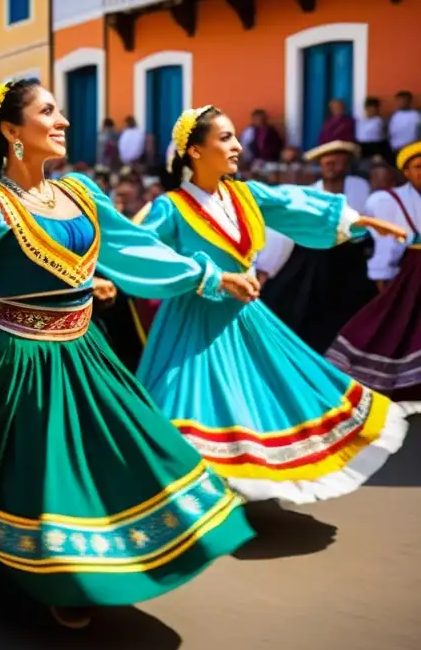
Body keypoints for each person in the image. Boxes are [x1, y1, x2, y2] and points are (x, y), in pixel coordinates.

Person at [0, 79, 256, 629]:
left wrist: (210, 276)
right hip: (21, 357)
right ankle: (60, 575)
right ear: (11, 131)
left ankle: (103, 562)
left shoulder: (81, 193)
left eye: (61, 111)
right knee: (42, 471)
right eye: (49, 111)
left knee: (131, 449)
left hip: (86, 348)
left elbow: (137, 252)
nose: (64, 121)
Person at [136, 106, 408, 505]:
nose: (236, 145)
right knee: (190, 399)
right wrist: (205, 275)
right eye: (225, 137)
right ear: (194, 151)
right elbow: (143, 251)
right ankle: (185, 491)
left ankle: (236, 482)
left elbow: (294, 203)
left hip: (245, 318)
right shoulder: (170, 207)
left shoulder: (246, 195)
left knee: (258, 397)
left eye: (234, 136)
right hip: (193, 321)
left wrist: (359, 220)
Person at [257, 140, 376, 353]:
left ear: (347, 163)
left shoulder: (359, 187)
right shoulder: (311, 193)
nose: (330, 165)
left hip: (351, 262)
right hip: (317, 261)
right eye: (325, 162)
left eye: (336, 160)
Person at [327, 141, 421, 406]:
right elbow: (387, 245)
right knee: (395, 327)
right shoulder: (389, 201)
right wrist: (382, 276)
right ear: (406, 171)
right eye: (417, 167)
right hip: (411, 273)